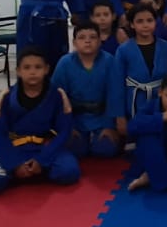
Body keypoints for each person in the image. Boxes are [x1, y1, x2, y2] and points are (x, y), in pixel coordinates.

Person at [0, 46, 80, 196]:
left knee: (69, 172)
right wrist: (14, 164)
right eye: (27, 67)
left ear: (46, 69)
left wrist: (42, 160)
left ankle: (35, 168)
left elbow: (64, 131)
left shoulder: (56, 95)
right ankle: (22, 171)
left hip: (45, 147)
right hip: (15, 148)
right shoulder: (7, 97)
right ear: (18, 71)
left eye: (38, 67)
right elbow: (0, 135)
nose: (32, 72)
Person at [50, 24, 125, 158]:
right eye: (82, 37)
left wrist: (109, 125)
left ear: (100, 41)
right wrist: (67, 126)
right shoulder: (65, 63)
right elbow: (58, 97)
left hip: (102, 117)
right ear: (74, 43)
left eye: (92, 37)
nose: (87, 41)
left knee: (105, 149)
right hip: (75, 118)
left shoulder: (109, 61)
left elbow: (115, 94)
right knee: (75, 150)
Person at [116, 4, 167, 119]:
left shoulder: (166, 47)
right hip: (134, 102)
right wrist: (119, 116)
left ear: (155, 22)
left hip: (160, 102)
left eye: (149, 20)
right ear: (132, 24)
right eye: (140, 21)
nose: (145, 25)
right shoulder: (123, 50)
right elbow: (117, 84)